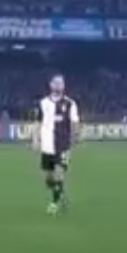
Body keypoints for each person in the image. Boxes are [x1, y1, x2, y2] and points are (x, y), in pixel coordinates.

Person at [33, 75, 80, 214]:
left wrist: (76, 136)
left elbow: (75, 122)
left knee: (59, 173)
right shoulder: (43, 103)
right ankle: (61, 193)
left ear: (64, 86)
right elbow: (37, 123)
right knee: (48, 178)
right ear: (51, 85)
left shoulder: (70, 103)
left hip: (63, 144)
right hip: (47, 145)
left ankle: (54, 203)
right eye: (56, 83)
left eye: (61, 83)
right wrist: (35, 139)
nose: (58, 85)